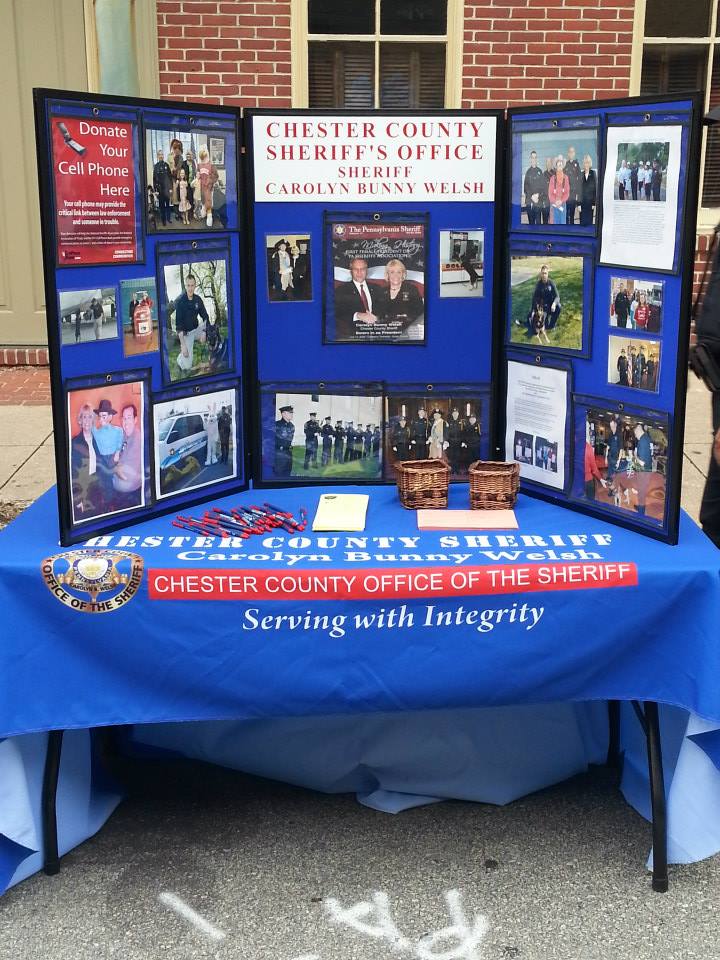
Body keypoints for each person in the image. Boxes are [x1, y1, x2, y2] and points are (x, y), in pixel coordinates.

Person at [169, 273, 208, 375]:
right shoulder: (181, 302)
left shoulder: (198, 300)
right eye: (188, 285)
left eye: (192, 285)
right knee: (186, 367)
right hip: (187, 334)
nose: (190, 288)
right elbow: (179, 326)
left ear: (195, 285)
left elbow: (205, 317)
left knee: (211, 334)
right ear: (185, 286)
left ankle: (210, 358)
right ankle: (180, 358)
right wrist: (183, 345)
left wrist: (204, 331)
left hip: (197, 329)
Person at [71, 403, 103, 518]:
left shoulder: (97, 440)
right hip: (82, 487)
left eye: (90, 417)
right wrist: (78, 499)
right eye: (84, 417)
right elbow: (73, 473)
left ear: (93, 420)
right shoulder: (75, 443)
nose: (87, 420)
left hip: (96, 485)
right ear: (80, 420)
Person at [333, 258, 378, 339]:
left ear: (366, 271)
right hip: (353, 334)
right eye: (355, 269)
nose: (359, 272)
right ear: (351, 271)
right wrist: (358, 315)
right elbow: (338, 312)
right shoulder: (341, 290)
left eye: (362, 269)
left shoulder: (377, 288)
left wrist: (377, 318)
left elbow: (385, 308)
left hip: (379, 333)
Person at [377, 259, 424, 333]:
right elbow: (377, 313)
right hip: (385, 332)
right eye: (392, 272)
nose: (395, 275)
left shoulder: (411, 289)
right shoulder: (381, 291)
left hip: (407, 332)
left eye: (399, 272)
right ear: (387, 275)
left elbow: (420, 312)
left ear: (403, 274)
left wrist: (405, 317)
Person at [92, 398, 124, 500]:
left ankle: (112, 499)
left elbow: (120, 443)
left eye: (104, 416)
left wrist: (117, 453)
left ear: (110, 417)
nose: (101, 419)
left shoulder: (118, 430)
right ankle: (108, 500)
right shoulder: (96, 432)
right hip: (102, 459)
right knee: (104, 479)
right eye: (100, 416)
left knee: (111, 477)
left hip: (113, 457)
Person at [111, 404, 143, 508]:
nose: (125, 422)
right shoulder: (123, 435)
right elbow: (113, 457)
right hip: (120, 488)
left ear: (135, 420)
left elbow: (124, 474)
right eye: (124, 418)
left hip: (130, 493)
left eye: (129, 418)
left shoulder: (138, 438)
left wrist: (113, 467)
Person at [521, 264, 561, 331]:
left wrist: (554, 303)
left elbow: (557, 296)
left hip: (551, 307)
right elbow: (534, 299)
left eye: (545, 273)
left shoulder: (551, 283)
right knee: (542, 326)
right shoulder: (538, 285)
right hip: (543, 308)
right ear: (540, 274)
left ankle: (552, 325)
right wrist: (533, 310)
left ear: (548, 274)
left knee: (559, 306)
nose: (544, 275)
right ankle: (545, 321)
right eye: (542, 273)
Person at [197, 146, 219, 226]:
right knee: (203, 201)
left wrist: (210, 181)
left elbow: (216, 176)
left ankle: (209, 216)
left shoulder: (211, 165)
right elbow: (198, 175)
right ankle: (204, 211)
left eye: (205, 156)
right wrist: (197, 177)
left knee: (208, 202)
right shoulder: (199, 165)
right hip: (201, 188)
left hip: (209, 188)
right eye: (202, 157)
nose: (203, 159)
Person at [584, 421, 607, 500]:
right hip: (587, 481)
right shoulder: (588, 447)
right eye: (588, 428)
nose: (589, 430)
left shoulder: (572, 444)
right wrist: (600, 479)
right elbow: (594, 468)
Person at [523, 149, 546, 225]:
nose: (534, 159)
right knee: (531, 224)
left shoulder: (540, 171)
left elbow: (543, 187)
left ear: (537, 159)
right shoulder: (528, 172)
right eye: (532, 157)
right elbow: (525, 188)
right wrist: (532, 196)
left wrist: (538, 195)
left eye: (535, 157)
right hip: (530, 202)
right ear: (530, 159)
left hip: (538, 202)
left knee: (538, 224)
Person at [152, 150, 173, 226]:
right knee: (161, 206)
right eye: (159, 155)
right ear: (157, 156)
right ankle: (163, 220)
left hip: (167, 189)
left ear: (163, 156)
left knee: (168, 205)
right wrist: (155, 190)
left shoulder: (166, 165)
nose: (161, 156)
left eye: (162, 154)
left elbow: (170, 178)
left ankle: (168, 218)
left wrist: (171, 188)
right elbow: (154, 179)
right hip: (160, 189)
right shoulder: (156, 166)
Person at [274, 405, 294, 477]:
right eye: (289, 413)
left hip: (288, 453)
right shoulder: (276, 425)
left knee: (288, 473)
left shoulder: (292, 426)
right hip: (279, 453)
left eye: (292, 413)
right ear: (283, 414)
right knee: (278, 474)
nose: (292, 414)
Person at [548, 156, 569, 224]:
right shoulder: (552, 178)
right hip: (554, 205)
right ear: (556, 167)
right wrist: (555, 201)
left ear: (563, 166)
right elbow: (550, 194)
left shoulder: (566, 178)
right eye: (558, 165)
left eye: (561, 165)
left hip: (562, 204)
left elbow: (567, 193)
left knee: (562, 223)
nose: (560, 167)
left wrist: (561, 201)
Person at [564, 145, 581, 226]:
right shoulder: (565, 165)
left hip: (574, 194)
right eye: (570, 152)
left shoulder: (577, 165)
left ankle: (572, 228)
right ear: (568, 154)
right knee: (567, 214)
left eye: (572, 152)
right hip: (566, 194)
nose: (571, 153)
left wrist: (578, 193)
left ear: (574, 153)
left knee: (572, 214)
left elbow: (579, 179)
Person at [579, 154, 596, 226]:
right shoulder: (581, 174)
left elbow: (595, 189)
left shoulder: (593, 173)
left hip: (590, 204)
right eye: (585, 162)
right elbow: (578, 190)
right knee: (582, 224)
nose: (586, 164)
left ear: (590, 163)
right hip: (582, 203)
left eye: (588, 162)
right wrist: (578, 204)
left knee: (589, 224)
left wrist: (593, 203)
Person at [446, 408, 464, 475]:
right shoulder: (449, 422)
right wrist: (447, 441)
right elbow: (447, 432)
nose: (455, 415)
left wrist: (463, 441)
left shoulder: (461, 422)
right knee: (452, 456)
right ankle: (452, 469)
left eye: (456, 413)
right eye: (454, 414)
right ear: (452, 414)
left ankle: (457, 469)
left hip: (458, 441)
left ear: (458, 414)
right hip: (451, 441)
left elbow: (463, 432)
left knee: (458, 456)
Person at [606, 417, 621, 484]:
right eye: (610, 426)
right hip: (610, 457)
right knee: (609, 476)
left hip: (615, 458)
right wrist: (605, 458)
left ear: (615, 425)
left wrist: (619, 460)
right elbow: (608, 446)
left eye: (612, 426)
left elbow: (621, 449)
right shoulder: (610, 434)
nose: (611, 427)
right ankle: (610, 490)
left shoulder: (619, 435)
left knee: (615, 476)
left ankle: (615, 490)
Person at [182, 150, 197, 218]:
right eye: (187, 155)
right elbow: (181, 173)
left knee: (192, 199)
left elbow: (195, 172)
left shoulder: (194, 163)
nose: (188, 156)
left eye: (190, 155)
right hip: (186, 184)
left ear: (192, 156)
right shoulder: (183, 163)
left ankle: (191, 213)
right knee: (186, 198)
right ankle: (186, 215)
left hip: (193, 184)